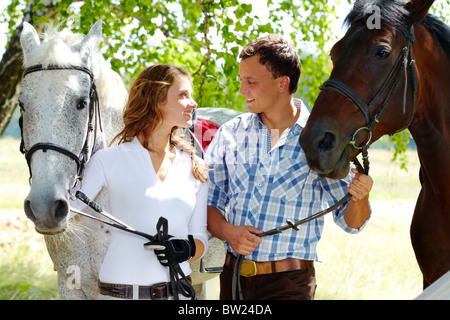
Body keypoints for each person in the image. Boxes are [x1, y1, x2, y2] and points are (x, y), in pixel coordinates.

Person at [205, 34, 373, 300]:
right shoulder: (230, 133)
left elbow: (352, 223)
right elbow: (209, 201)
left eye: (251, 82)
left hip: (289, 285)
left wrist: (360, 197)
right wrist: (227, 231)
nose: (242, 90)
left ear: (282, 83)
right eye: (241, 81)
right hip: (233, 278)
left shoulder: (320, 140)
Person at [71, 64, 209, 300]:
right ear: (158, 99)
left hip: (179, 295)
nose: (193, 103)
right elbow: (69, 208)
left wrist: (186, 250)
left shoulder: (194, 166)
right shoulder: (108, 160)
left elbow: (200, 238)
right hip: (122, 295)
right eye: (184, 95)